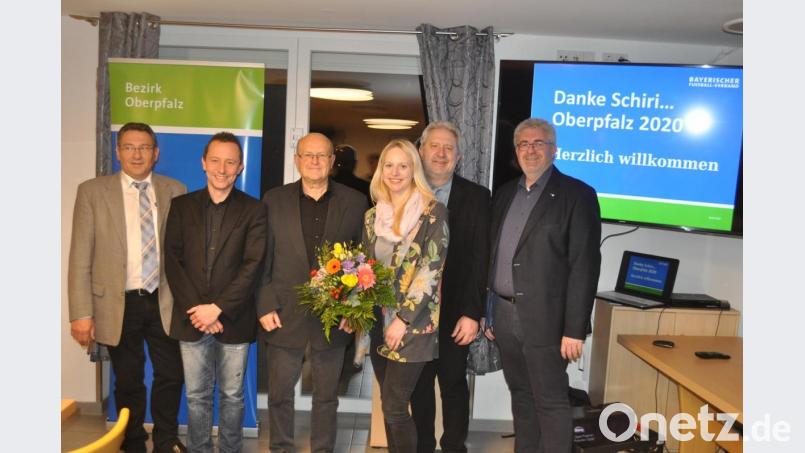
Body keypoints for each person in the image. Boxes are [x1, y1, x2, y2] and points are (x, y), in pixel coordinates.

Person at [68, 122, 187, 453]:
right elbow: (80, 257)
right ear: (118, 152)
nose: (138, 154)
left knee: (170, 375)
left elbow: (183, 252)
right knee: (128, 379)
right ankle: (132, 441)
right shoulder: (92, 191)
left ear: (156, 153)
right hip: (118, 303)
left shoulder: (175, 189)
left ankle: (165, 439)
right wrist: (81, 313)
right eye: (130, 147)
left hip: (164, 300)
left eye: (145, 147)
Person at [485, 118, 601, 453]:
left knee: (550, 401)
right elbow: (494, 256)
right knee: (521, 396)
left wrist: (574, 329)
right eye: (524, 144)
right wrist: (487, 310)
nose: (531, 150)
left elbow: (585, 265)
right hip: (504, 317)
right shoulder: (505, 194)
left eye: (539, 143)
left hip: (548, 322)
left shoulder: (577, 195)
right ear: (516, 150)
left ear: (554, 149)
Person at [256, 132, 368, 453]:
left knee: (326, 397)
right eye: (308, 155)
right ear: (297, 160)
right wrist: (264, 305)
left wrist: (351, 310)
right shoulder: (273, 200)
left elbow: (363, 262)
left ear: (332, 161)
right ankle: (281, 448)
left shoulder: (355, 201)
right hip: (282, 313)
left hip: (332, 316)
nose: (315, 161)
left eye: (322, 155)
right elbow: (261, 257)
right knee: (279, 394)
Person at [164, 132, 266, 453]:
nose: (222, 169)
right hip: (191, 318)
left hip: (233, 318)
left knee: (233, 396)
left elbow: (253, 265)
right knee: (196, 395)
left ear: (240, 167)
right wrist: (199, 310)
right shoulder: (181, 206)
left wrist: (217, 309)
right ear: (203, 163)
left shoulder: (255, 210)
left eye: (230, 162)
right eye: (216, 161)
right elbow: (173, 261)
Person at [409, 122, 490, 453]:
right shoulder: (406, 192)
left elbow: (480, 258)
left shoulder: (477, 197)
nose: (441, 154)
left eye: (449, 148)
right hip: (413, 314)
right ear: (422, 150)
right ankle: (423, 447)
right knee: (418, 387)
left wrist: (473, 312)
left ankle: (455, 447)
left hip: (456, 312)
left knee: (454, 385)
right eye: (434, 147)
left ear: (458, 156)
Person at [364, 139, 449, 453]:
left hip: (412, 325)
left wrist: (402, 319)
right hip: (378, 323)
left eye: (403, 165)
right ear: (381, 170)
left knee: (396, 406)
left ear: (415, 169)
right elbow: (366, 268)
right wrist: (352, 308)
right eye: (389, 165)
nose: (395, 172)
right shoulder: (373, 217)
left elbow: (430, 271)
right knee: (389, 405)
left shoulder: (433, 213)